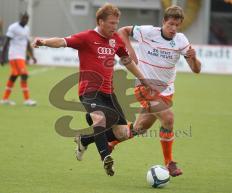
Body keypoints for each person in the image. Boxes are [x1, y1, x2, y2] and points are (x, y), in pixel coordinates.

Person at [32, 3, 157, 176]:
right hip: (89, 91)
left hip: (109, 93)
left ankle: (85, 139)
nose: (115, 27)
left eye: (117, 23)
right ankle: (106, 157)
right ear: (100, 21)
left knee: (121, 133)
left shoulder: (116, 40)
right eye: (112, 23)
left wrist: (143, 79)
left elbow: (127, 61)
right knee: (99, 119)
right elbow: (62, 41)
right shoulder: (86, 37)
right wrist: (44, 42)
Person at [109, 5, 201, 177]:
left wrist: (193, 57)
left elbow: (196, 70)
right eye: (171, 24)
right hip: (145, 86)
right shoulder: (148, 32)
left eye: (177, 25)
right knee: (168, 118)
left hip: (166, 91)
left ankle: (110, 143)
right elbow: (122, 31)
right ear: (164, 21)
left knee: (139, 128)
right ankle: (169, 163)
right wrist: (129, 50)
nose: (173, 28)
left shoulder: (181, 40)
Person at [0, 12, 37, 106]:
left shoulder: (27, 29)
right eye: (24, 18)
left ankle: (4, 99)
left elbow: (28, 44)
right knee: (24, 74)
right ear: (20, 18)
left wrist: (32, 56)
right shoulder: (13, 27)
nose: (25, 20)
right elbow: (6, 42)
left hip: (21, 56)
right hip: (15, 56)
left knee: (14, 76)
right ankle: (27, 100)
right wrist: (2, 56)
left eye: (27, 19)